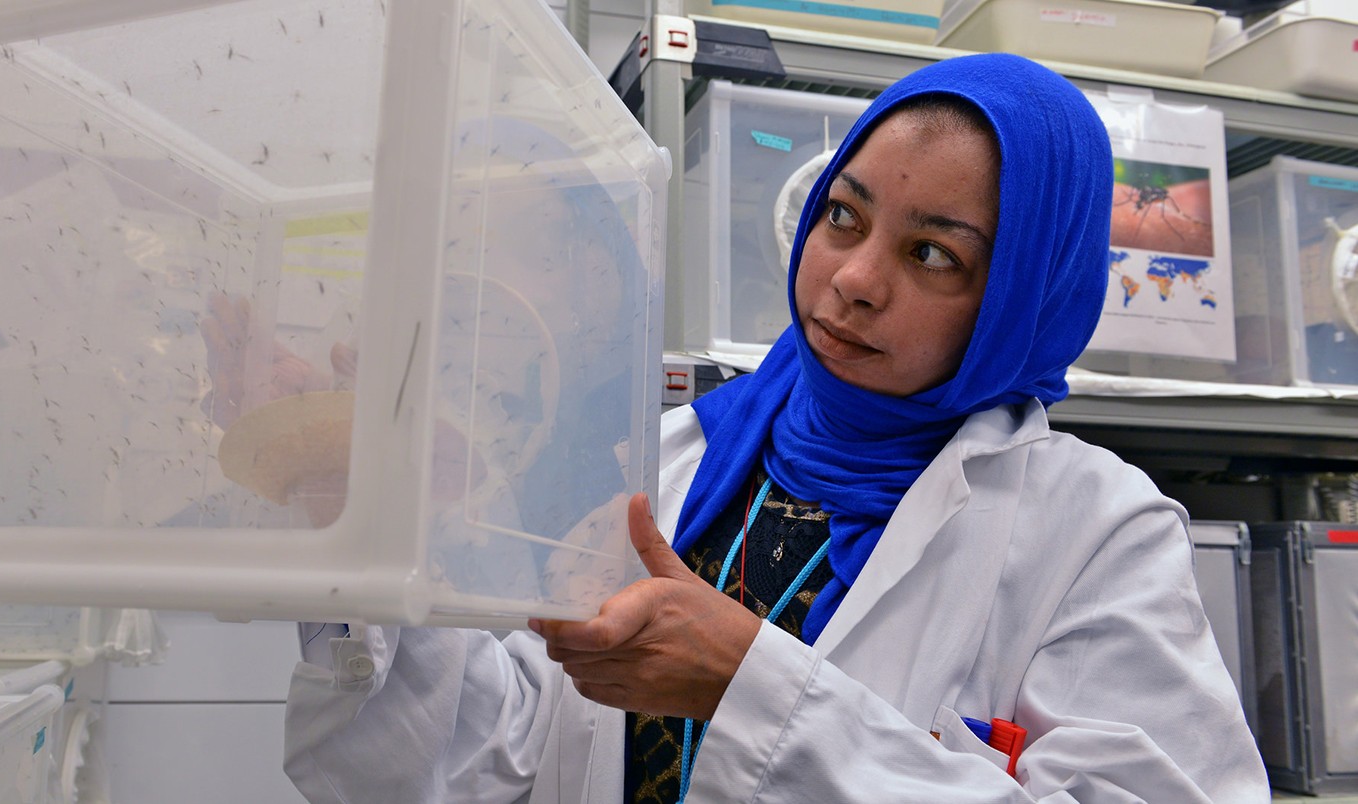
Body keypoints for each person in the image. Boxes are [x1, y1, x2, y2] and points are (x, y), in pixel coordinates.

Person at [282, 53, 1268, 802]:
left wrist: (747, 687)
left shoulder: (1091, 532)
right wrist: (360, 549)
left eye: (931, 254)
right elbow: (503, 756)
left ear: (1016, 295)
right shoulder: (676, 462)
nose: (853, 279)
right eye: (844, 216)